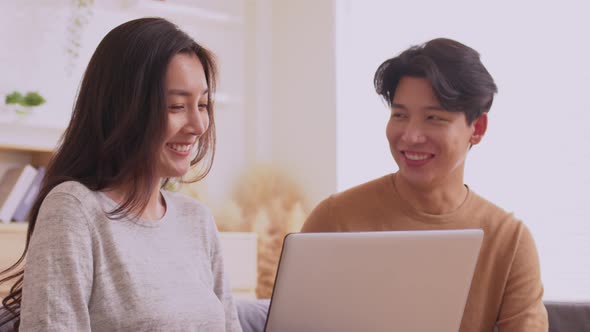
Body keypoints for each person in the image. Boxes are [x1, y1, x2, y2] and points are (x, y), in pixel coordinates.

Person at [0, 18, 242, 331]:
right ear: (124, 108)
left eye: (204, 104)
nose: (198, 125)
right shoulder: (74, 209)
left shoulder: (197, 219)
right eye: (176, 106)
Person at [301, 38, 548, 331]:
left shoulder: (508, 240)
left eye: (434, 118)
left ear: (477, 129)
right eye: (400, 115)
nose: (411, 135)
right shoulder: (335, 219)